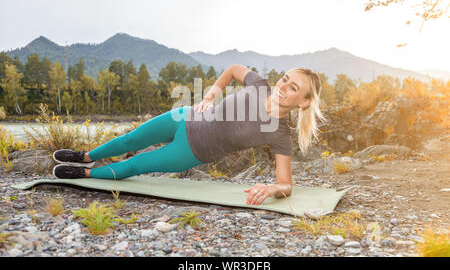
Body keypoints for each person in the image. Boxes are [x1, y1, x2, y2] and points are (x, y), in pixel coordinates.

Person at [52, 64, 326, 205]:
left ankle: (85, 175)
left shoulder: (279, 133)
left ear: (303, 102)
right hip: (185, 117)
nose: (283, 87)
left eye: (293, 88)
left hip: (191, 151)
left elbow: (286, 183)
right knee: (131, 140)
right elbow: (232, 69)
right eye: (285, 80)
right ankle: (86, 156)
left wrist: (271, 189)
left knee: (136, 165)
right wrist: (209, 96)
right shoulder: (259, 84)